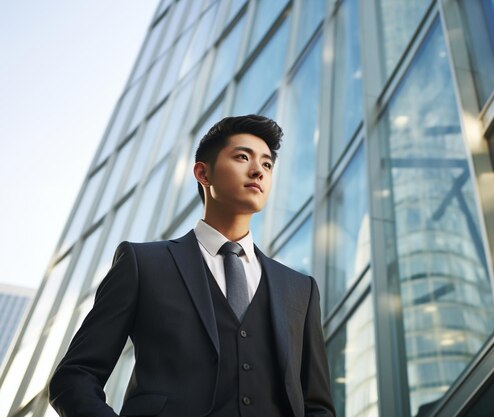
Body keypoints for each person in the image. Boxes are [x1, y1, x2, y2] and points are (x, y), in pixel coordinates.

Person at [49, 115, 335, 417]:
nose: (258, 171)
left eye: (267, 164)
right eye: (242, 157)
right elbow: (75, 376)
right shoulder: (143, 264)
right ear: (203, 173)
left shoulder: (300, 289)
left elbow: (317, 405)